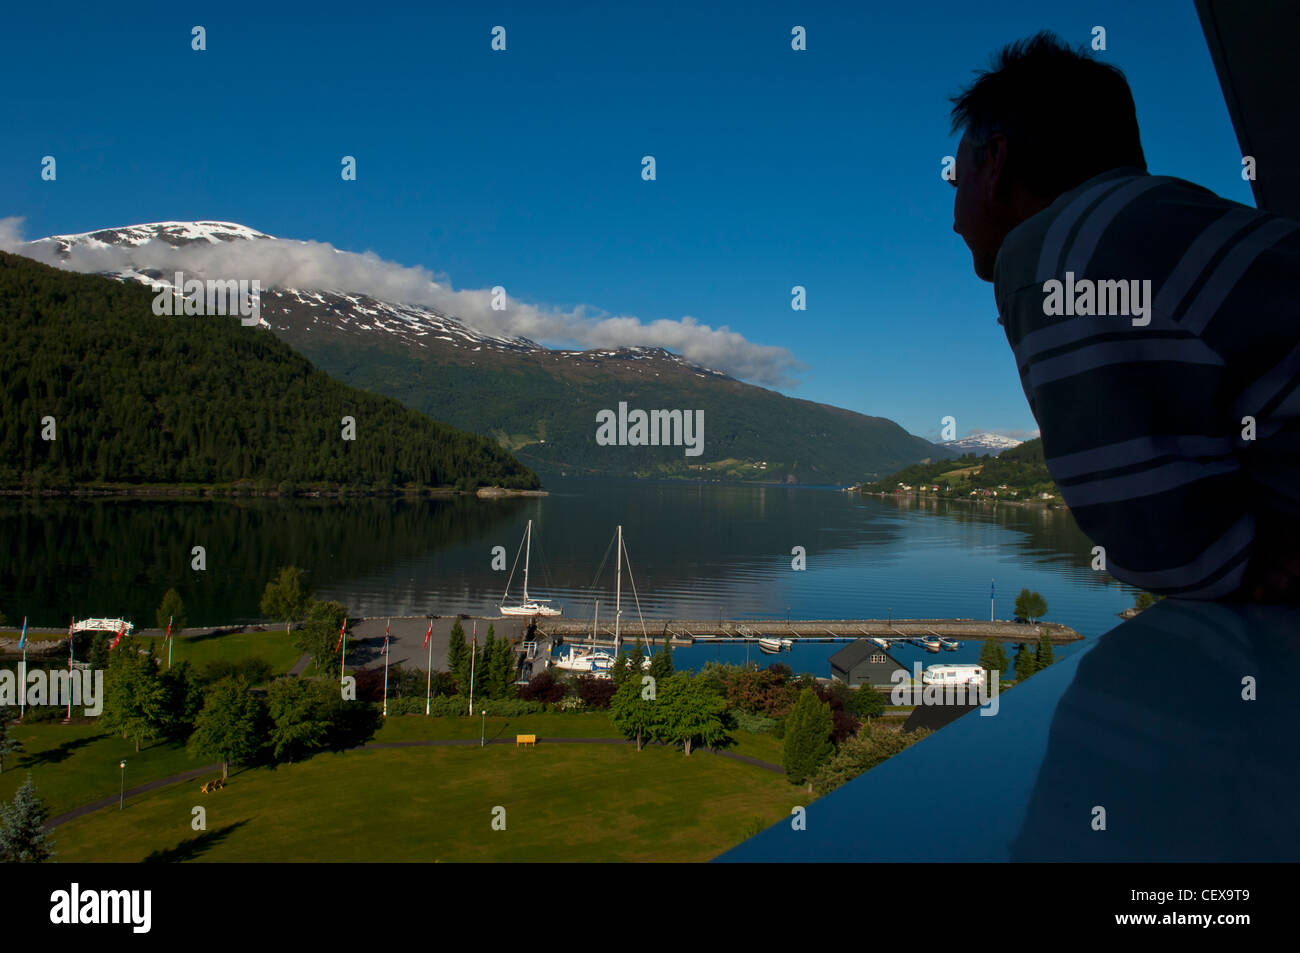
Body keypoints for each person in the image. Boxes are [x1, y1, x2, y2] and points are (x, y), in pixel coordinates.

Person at [948, 31, 1300, 602]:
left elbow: (1168, 552)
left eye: (954, 181)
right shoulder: (1176, 222)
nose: (954, 216)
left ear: (995, 163)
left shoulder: (1051, 252)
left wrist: (1248, 557)